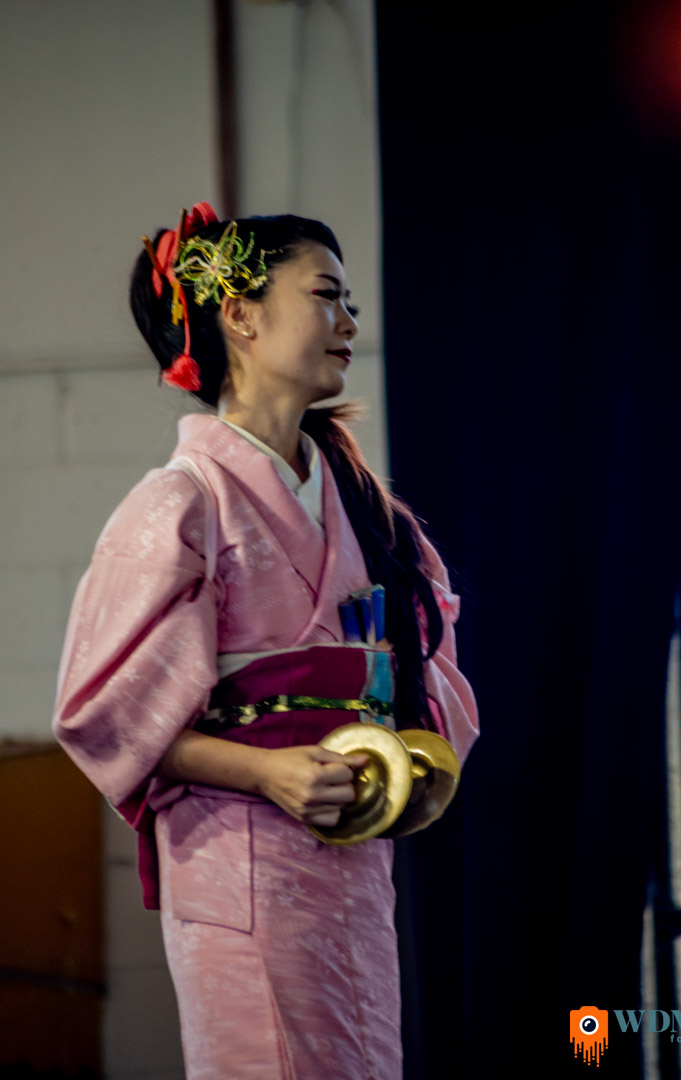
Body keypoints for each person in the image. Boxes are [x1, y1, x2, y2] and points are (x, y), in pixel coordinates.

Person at [52, 202, 478, 1080]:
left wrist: (406, 759)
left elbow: (428, 670)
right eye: (325, 295)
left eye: (349, 301)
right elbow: (106, 717)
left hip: (350, 851)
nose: (348, 321)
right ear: (241, 315)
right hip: (239, 852)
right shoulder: (182, 503)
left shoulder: (368, 512)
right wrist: (266, 771)